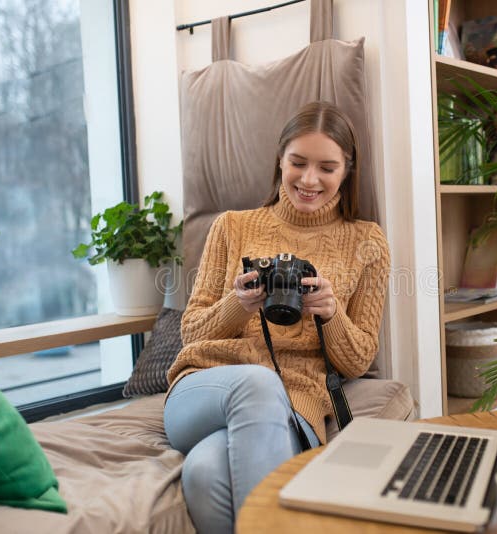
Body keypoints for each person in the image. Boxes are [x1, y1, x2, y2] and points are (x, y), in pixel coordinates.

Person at [163, 101, 390, 533]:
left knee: (204, 473)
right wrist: (239, 304)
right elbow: (190, 333)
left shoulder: (367, 241)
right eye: (298, 163)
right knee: (257, 381)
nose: (309, 179)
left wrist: (330, 314)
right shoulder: (231, 226)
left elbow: (359, 359)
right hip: (204, 389)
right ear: (280, 161)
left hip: (291, 405)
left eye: (327, 167)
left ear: (347, 170)